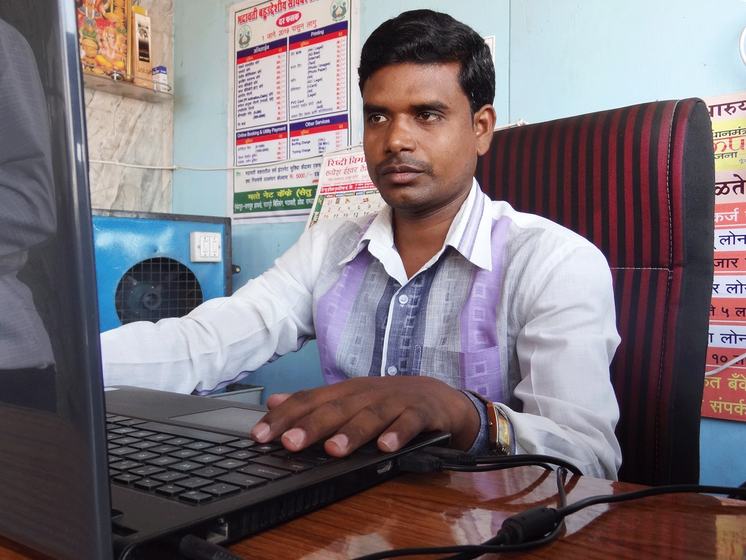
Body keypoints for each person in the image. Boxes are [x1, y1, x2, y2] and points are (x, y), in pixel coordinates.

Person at [102, 9, 622, 479]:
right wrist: (52, 366)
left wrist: (465, 412)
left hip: (492, 527)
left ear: (481, 128)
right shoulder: (327, 247)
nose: (395, 138)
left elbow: (589, 459)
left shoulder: (556, 263)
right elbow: (202, 343)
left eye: (428, 114)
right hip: (348, 519)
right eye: (378, 116)